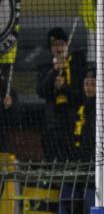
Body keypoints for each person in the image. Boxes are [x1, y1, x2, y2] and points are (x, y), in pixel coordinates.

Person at [47, 70, 96, 214]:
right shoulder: (82, 104)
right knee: (64, 196)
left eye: (93, 83)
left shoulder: (101, 108)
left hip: (92, 171)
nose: (89, 87)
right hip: (78, 168)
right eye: (87, 82)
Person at [37, 27, 87, 161]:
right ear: (50, 48)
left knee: (73, 158)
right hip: (53, 123)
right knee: (54, 158)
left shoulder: (78, 65)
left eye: (61, 44)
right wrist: (54, 71)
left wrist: (64, 88)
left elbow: (81, 96)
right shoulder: (45, 67)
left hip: (74, 120)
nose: (59, 48)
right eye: (55, 45)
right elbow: (41, 92)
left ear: (67, 45)